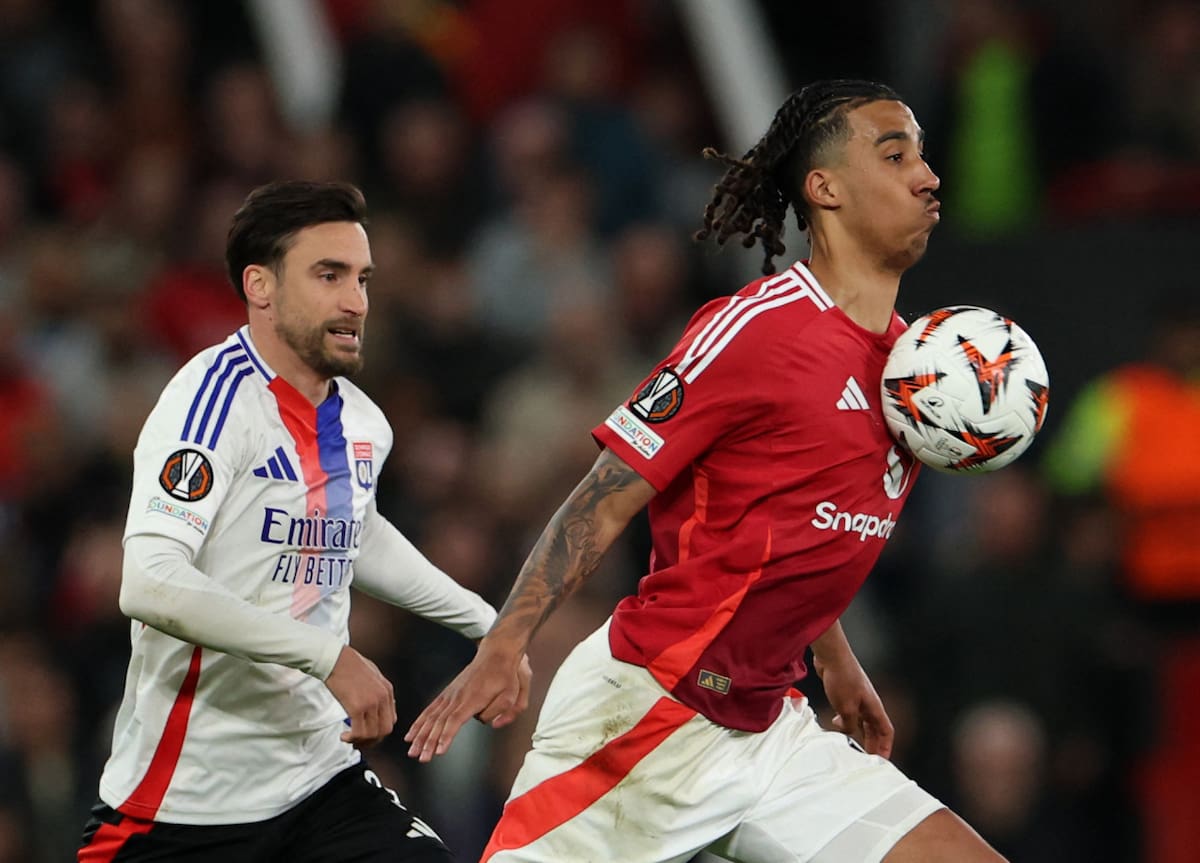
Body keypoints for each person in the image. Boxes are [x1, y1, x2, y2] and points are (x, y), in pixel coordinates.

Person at [406, 80, 1008, 862]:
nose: (928, 177)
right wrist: (504, 643)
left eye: (923, 158)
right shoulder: (755, 328)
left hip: (770, 726)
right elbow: (605, 496)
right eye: (895, 156)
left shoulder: (914, 374)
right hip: (650, 712)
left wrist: (837, 662)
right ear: (824, 189)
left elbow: (787, 521)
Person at [77, 180, 529, 861]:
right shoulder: (209, 407)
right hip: (185, 806)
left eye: (363, 278)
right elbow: (149, 581)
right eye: (329, 275)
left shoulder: (361, 420)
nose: (357, 302)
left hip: (319, 783)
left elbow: (355, 531)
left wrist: (485, 623)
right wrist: (329, 657)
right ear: (260, 285)